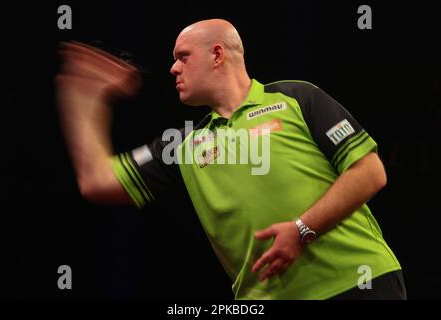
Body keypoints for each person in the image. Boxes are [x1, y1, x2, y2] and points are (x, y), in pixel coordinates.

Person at [56, 19, 406, 300]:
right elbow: (96, 180)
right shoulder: (183, 144)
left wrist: (300, 231)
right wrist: (83, 99)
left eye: (183, 56)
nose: (173, 68)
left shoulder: (295, 97)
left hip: (360, 281)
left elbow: (370, 172)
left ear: (218, 55)